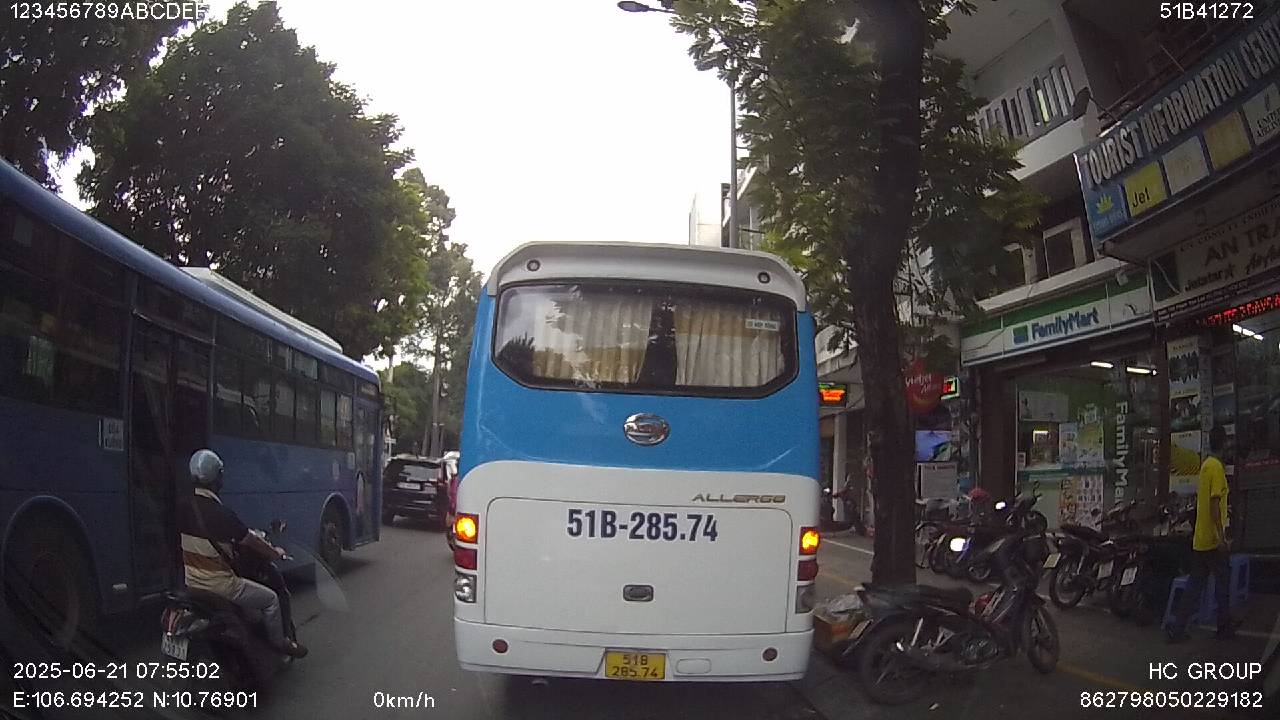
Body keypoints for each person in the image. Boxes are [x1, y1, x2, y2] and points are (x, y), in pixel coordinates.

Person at [179, 449, 308, 658]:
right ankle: (280, 644)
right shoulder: (222, 514)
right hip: (221, 586)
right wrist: (274, 553)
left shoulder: (183, 506)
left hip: (191, 583)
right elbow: (251, 540)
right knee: (271, 599)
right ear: (216, 479)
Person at [1167, 426, 1238, 643]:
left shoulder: (1206, 465)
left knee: (1194, 586)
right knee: (1222, 582)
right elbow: (1215, 504)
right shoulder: (1216, 468)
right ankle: (1224, 627)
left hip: (1201, 539)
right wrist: (1221, 536)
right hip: (1213, 540)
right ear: (1224, 444)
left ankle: (1178, 629)